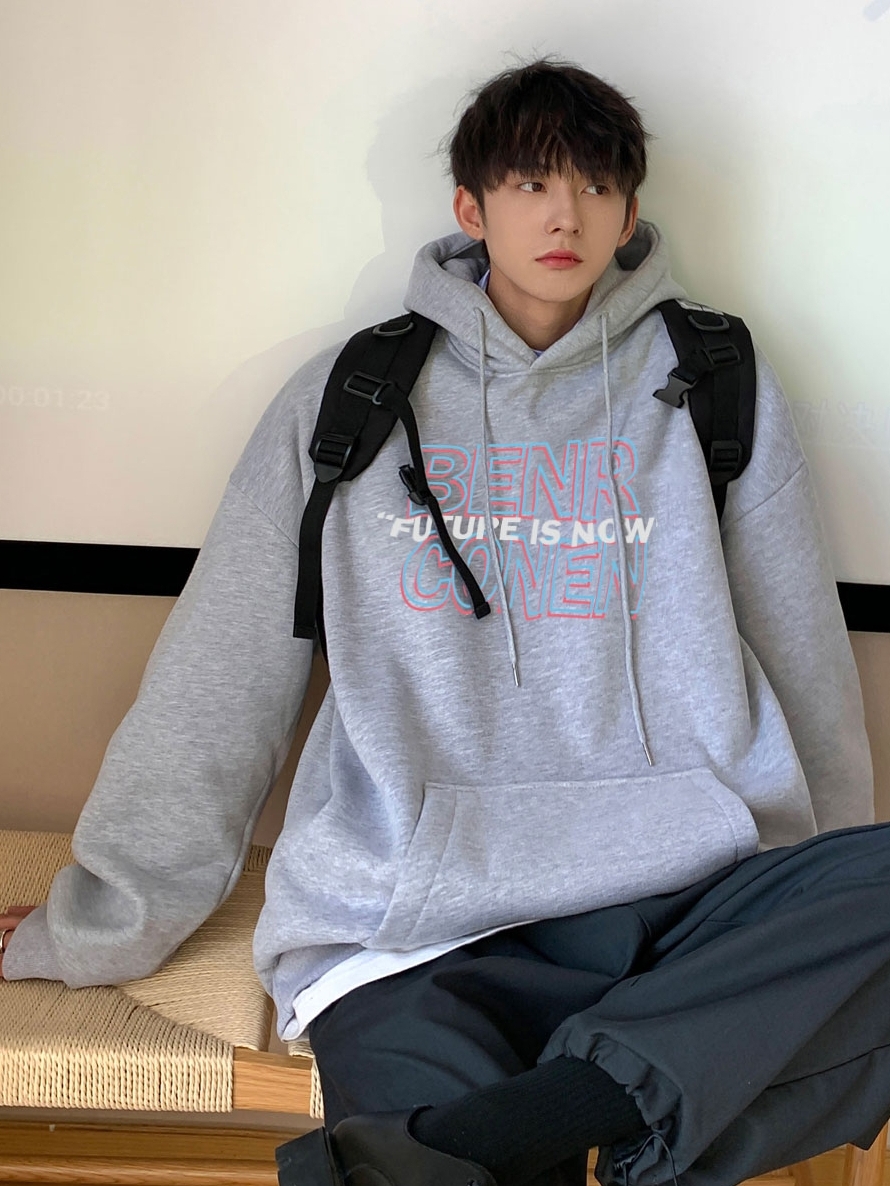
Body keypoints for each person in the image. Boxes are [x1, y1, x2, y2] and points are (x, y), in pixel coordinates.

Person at [2, 59, 887, 1186]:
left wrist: (812, 920)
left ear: (629, 215)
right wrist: (101, 921)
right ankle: (582, 1111)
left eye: (596, 186)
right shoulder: (353, 396)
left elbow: (803, 660)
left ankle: (525, 1125)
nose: (564, 216)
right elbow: (219, 681)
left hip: (685, 897)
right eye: (530, 183)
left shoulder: (713, 379)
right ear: (471, 207)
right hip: (413, 934)